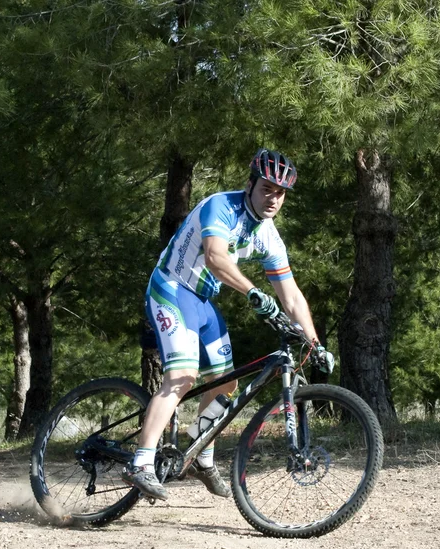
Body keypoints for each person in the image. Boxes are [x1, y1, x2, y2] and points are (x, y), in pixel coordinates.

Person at [122, 148, 334, 501]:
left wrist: (315, 343)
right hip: (171, 288)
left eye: (280, 193)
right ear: (250, 185)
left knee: (226, 383)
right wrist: (253, 292)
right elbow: (216, 257)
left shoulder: (267, 235)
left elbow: (292, 297)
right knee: (184, 375)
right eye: (267, 189)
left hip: (201, 301)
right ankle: (140, 463)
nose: (274, 198)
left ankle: (202, 457)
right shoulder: (221, 206)